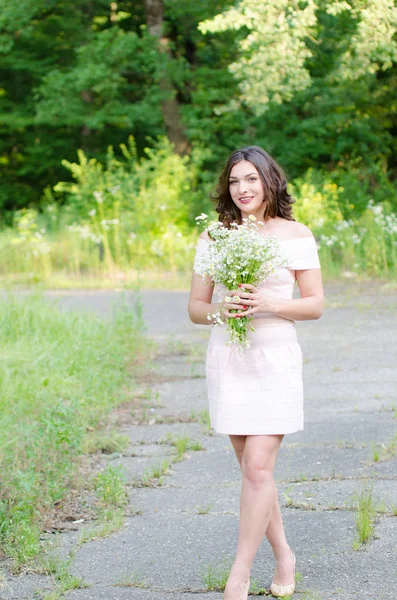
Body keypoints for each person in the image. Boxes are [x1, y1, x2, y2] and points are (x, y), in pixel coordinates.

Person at [188, 146, 324, 599]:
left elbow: (315, 304)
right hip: (229, 355)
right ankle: (284, 552)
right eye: (234, 181)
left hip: (275, 355)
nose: (242, 189)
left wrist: (269, 303)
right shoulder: (214, 235)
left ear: (269, 181)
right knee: (254, 472)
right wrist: (220, 311)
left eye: (251, 179)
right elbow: (195, 308)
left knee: (259, 467)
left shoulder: (296, 234)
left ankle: (238, 575)